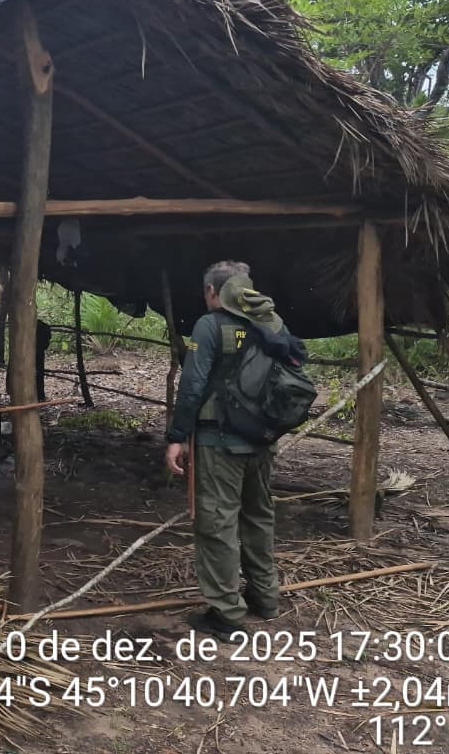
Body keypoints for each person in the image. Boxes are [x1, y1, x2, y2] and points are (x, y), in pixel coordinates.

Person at [165, 261, 303, 640]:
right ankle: (265, 599)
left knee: (217, 522)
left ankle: (226, 614)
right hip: (262, 439)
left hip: (219, 441)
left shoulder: (208, 326)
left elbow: (193, 385)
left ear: (212, 292)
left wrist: (177, 437)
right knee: (258, 516)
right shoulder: (272, 325)